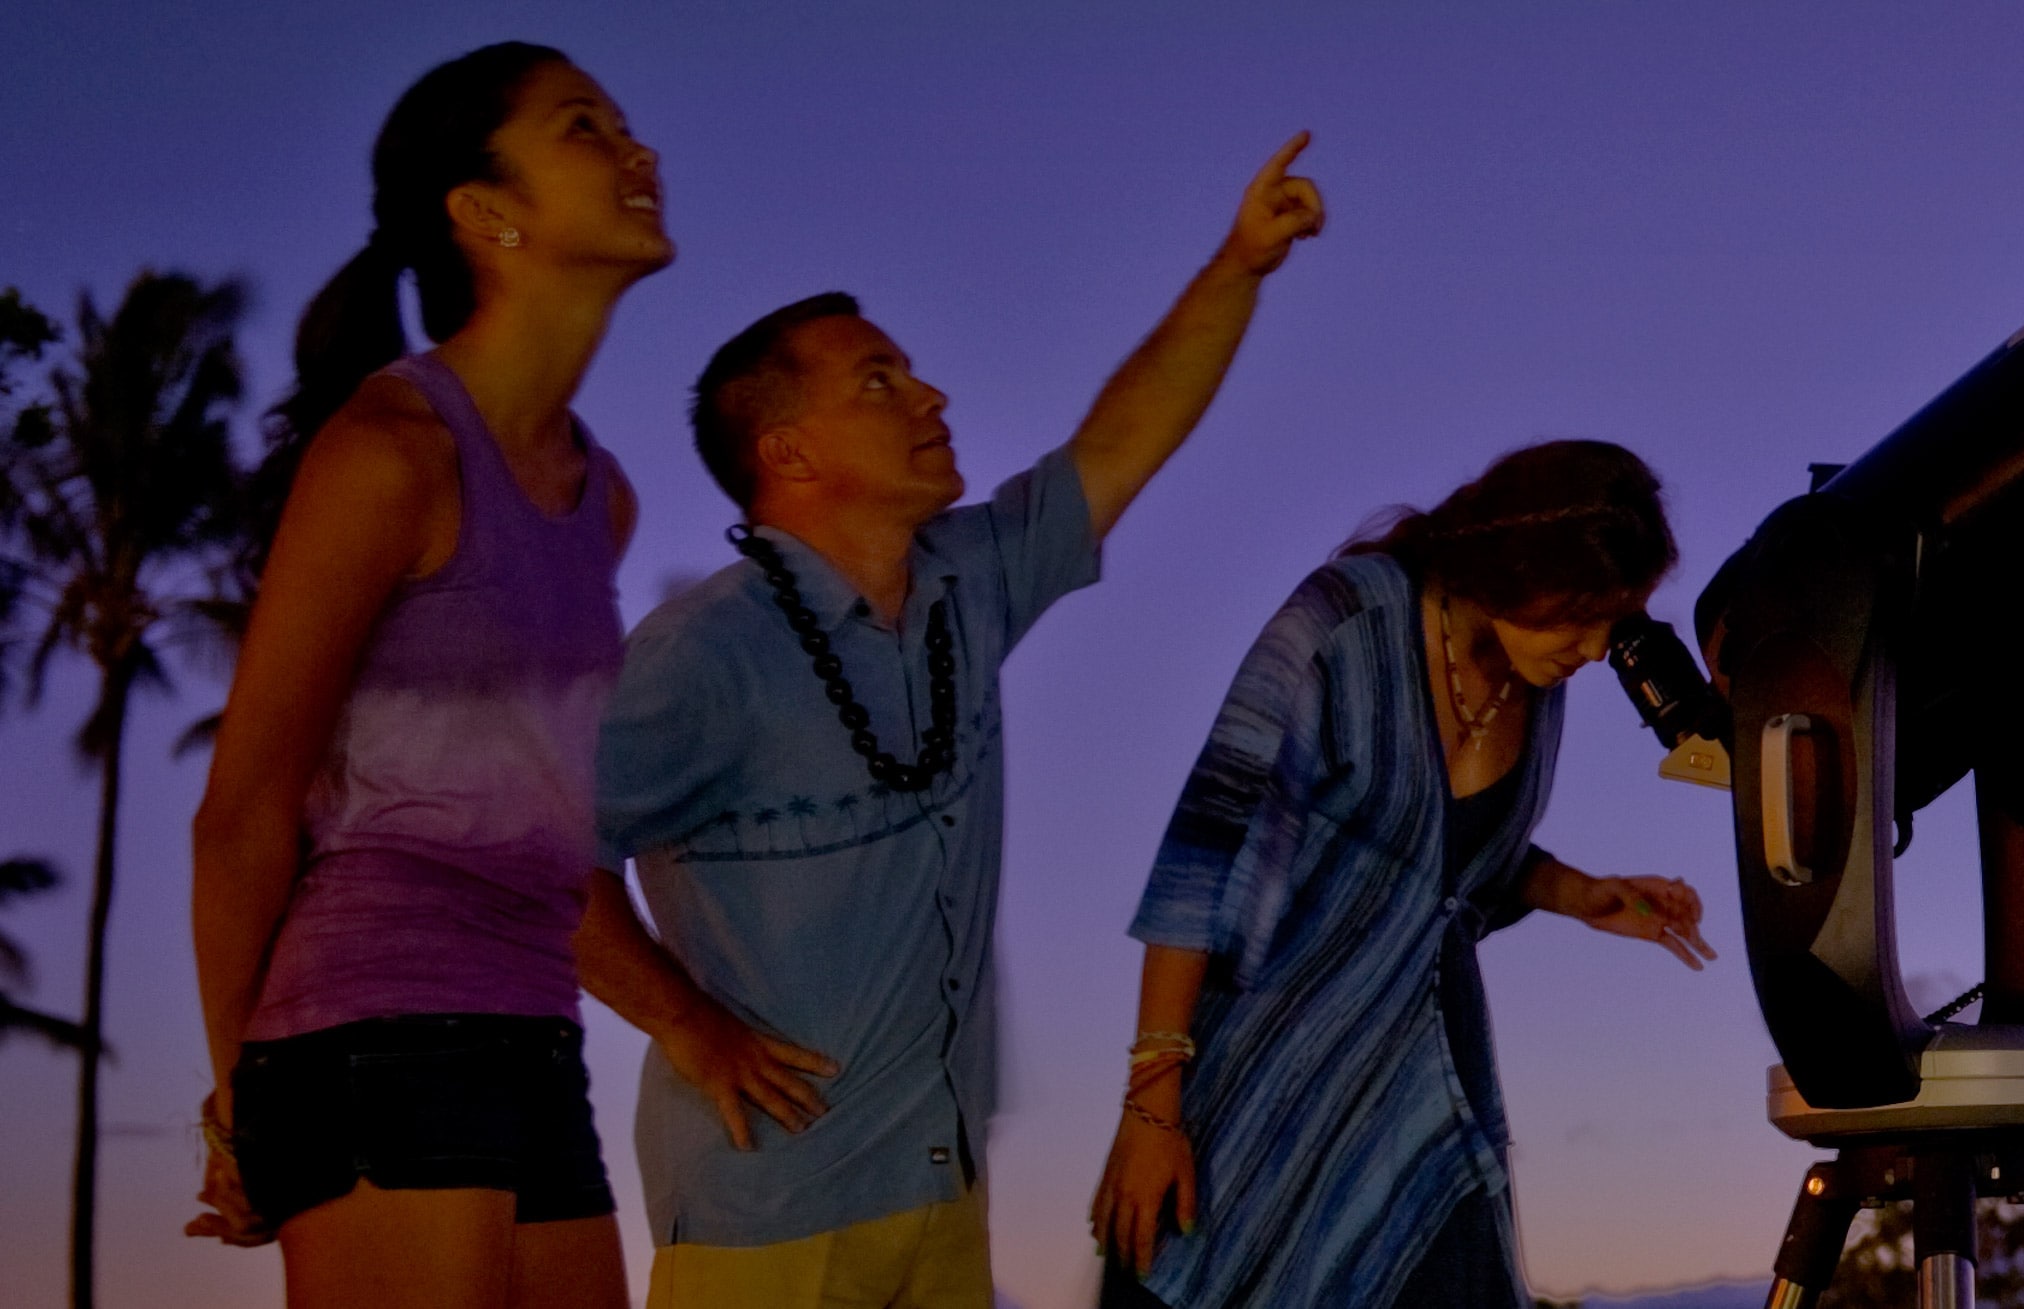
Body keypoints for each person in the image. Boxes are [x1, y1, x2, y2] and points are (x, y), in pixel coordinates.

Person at [572, 135, 1323, 1309]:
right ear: (788, 452)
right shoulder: (702, 653)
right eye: (878, 380)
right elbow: (531, 852)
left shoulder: (965, 584)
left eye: (911, 372)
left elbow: (1122, 442)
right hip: (768, 1215)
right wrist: (684, 1022)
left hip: (938, 1190)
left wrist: (1238, 264)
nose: (929, 396)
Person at [186, 42, 668, 1308]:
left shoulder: (596, 496)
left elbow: (549, 830)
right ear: (486, 212)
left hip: (530, 1031)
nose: (639, 153)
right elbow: (242, 811)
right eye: (584, 128)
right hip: (375, 1022)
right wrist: (241, 1102)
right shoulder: (391, 452)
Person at [1091, 440, 1719, 1309]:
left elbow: (1435, 865)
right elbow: (1205, 849)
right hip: (1269, 1080)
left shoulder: (1539, 679)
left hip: (1426, 1094)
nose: (1596, 647)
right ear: (1513, 564)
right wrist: (1152, 1105)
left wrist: (1577, 894)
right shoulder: (1341, 626)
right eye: (1580, 613)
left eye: (1615, 620)